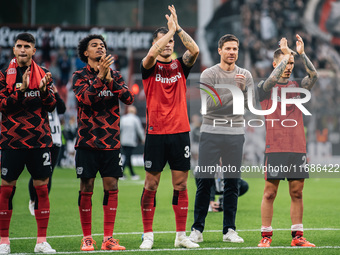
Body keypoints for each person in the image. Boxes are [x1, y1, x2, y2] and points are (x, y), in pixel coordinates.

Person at [139, 5, 199, 249]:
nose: (169, 43)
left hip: (180, 132)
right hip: (156, 133)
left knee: (181, 184)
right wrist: (167, 33)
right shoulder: (149, 67)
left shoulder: (180, 67)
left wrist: (178, 29)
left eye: (172, 40)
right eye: (164, 40)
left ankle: (180, 236)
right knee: (151, 184)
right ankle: (148, 234)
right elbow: (151, 55)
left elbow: (194, 50)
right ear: (156, 42)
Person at [189, 34, 254, 244]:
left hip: (235, 134)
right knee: (204, 181)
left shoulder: (245, 75)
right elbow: (209, 105)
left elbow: (246, 106)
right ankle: (197, 229)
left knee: (232, 183)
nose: (232, 52)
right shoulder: (209, 73)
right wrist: (236, 90)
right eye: (228, 48)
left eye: (235, 49)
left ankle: (229, 230)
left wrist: (239, 93)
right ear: (220, 50)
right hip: (211, 133)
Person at [73, 34, 134, 251]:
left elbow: (128, 98)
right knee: (86, 185)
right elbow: (85, 99)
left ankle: (108, 238)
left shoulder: (115, 75)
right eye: (95, 45)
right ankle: (87, 238)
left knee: (112, 186)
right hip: (87, 141)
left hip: (111, 142)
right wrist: (100, 77)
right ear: (86, 53)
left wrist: (109, 79)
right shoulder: (79, 76)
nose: (100, 47)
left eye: (102, 45)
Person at [257, 35, 318, 247]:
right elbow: (273, 80)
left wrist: (301, 55)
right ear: (275, 63)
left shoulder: (298, 86)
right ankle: (265, 236)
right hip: (275, 147)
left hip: (297, 146)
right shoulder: (264, 87)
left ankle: (298, 237)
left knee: (297, 193)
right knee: (270, 193)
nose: (289, 66)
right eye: (286, 62)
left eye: (292, 63)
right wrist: (285, 52)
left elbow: (314, 75)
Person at [0, 32, 57, 254]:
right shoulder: (4, 75)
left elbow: (51, 106)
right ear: (13, 49)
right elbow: (3, 105)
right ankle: (4, 241)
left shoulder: (45, 75)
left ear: (34, 50)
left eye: (27, 46)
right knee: (6, 191)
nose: (23, 50)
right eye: (19, 46)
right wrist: (20, 93)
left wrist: (44, 91)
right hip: (12, 140)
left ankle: (41, 241)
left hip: (39, 140)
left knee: (42, 190)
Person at [28, 84, 66, 215]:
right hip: (41, 139)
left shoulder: (52, 95)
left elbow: (62, 109)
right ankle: (33, 200)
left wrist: (56, 93)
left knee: (49, 174)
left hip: (55, 139)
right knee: (37, 173)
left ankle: (42, 202)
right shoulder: (35, 95)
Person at [120, 105, 144, 180]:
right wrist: (143, 138)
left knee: (128, 157)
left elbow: (119, 129)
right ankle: (121, 173)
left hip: (123, 141)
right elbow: (139, 130)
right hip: (131, 141)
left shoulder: (123, 118)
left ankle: (132, 174)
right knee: (127, 157)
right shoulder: (135, 119)